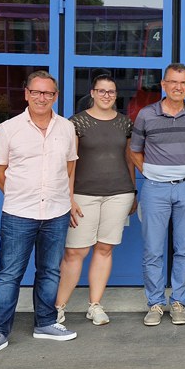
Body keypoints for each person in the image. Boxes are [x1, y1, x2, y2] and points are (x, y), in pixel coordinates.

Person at [0, 71, 78, 361]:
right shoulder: (10, 129)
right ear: (26, 94)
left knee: (50, 271)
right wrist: (17, 192)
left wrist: (66, 199)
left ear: (55, 96)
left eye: (48, 93)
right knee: (9, 274)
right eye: (36, 92)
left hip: (56, 211)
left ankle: (45, 322)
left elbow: (70, 166)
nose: (41, 98)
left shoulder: (66, 128)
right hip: (19, 212)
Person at [130, 63, 185, 327]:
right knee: (153, 249)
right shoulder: (146, 114)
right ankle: (154, 303)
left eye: (183, 82)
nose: (178, 87)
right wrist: (151, 173)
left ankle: (178, 303)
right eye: (173, 82)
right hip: (155, 188)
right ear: (163, 84)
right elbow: (135, 150)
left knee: (184, 248)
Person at [53, 75, 136, 327]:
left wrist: (133, 191)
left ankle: (95, 305)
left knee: (104, 248)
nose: (106, 95)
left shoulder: (125, 123)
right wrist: (69, 197)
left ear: (116, 95)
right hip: (83, 195)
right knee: (75, 252)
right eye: (102, 91)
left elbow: (129, 158)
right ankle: (58, 307)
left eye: (111, 91)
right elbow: (69, 162)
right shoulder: (76, 122)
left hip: (119, 193)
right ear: (92, 93)